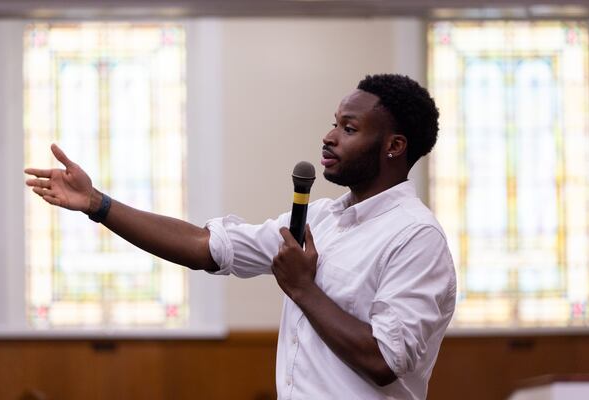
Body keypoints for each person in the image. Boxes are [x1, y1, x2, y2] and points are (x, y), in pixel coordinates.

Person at [25, 74, 456, 400]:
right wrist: (98, 204)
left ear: (394, 146)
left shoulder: (415, 237)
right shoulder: (321, 219)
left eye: (349, 127)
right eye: (333, 124)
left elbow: (384, 360)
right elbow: (205, 248)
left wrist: (303, 287)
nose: (328, 137)